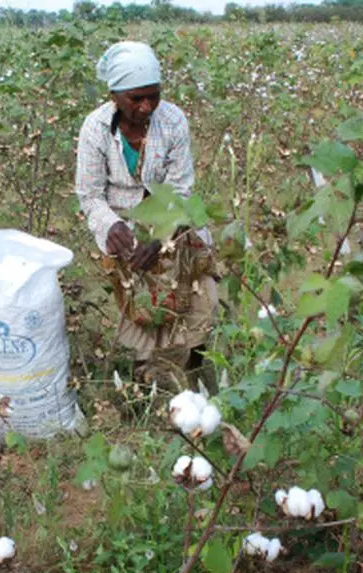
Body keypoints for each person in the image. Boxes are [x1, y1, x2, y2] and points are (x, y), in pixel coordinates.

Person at [75, 41, 217, 387]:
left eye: (153, 95)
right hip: (123, 224)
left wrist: (160, 236)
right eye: (136, 98)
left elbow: (181, 189)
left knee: (198, 291)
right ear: (115, 95)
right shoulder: (95, 128)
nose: (146, 105)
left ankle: (195, 365)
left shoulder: (172, 121)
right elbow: (90, 195)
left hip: (173, 217)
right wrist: (111, 227)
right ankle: (144, 379)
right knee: (143, 305)